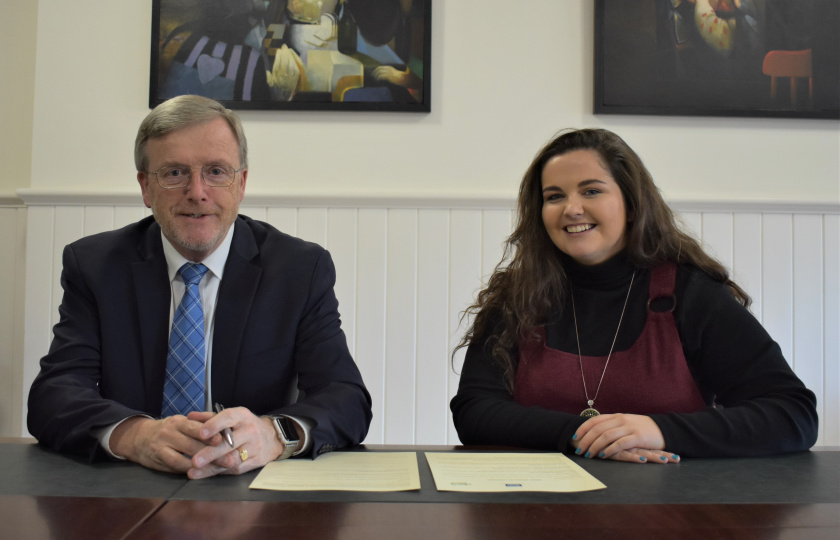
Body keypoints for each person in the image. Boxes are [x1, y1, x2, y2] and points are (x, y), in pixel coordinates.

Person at [27, 95, 372, 478]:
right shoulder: (95, 266)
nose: (196, 191)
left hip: (252, 488)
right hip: (129, 485)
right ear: (145, 187)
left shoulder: (298, 269)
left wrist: (274, 434)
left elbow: (346, 398)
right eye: (174, 173)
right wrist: (136, 435)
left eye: (216, 171)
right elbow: (54, 394)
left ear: (241, 184)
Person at [450, 128, 818, 464]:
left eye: (591, 190)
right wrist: (585, 436)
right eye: (554, 196)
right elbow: (474, 410)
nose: (571, 208)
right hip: (534, 511)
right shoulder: (516, 298)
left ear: (631, 203)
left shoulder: (692, 294)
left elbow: (792, 414)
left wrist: (659, 432)